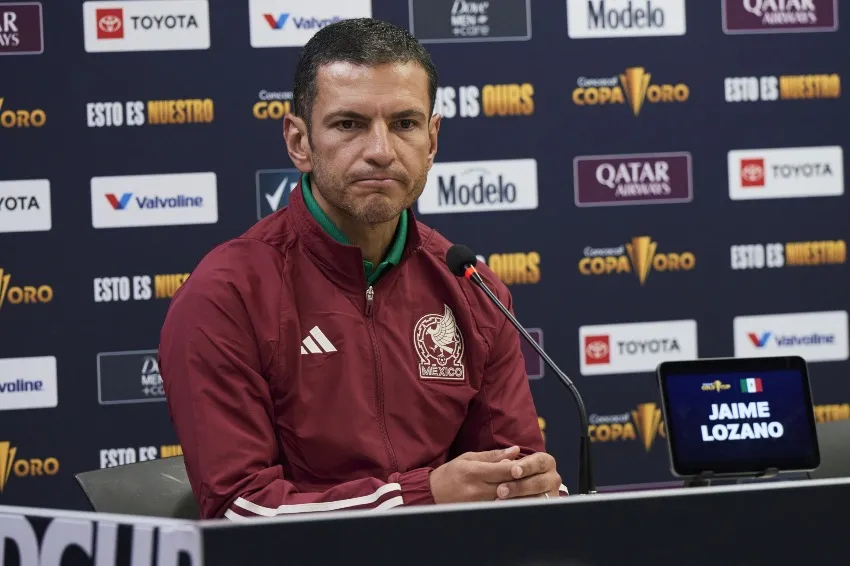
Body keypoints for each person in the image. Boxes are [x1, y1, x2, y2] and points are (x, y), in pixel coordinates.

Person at [158, 18, 565, 521]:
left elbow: (516, 475)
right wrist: (421, 496)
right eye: (349, 124)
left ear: (432, 140)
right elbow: (236, 511)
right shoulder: (227, 295)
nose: (380, 150)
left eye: (404, 124)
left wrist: (531, 487)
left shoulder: (472, 289)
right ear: (299, 142)